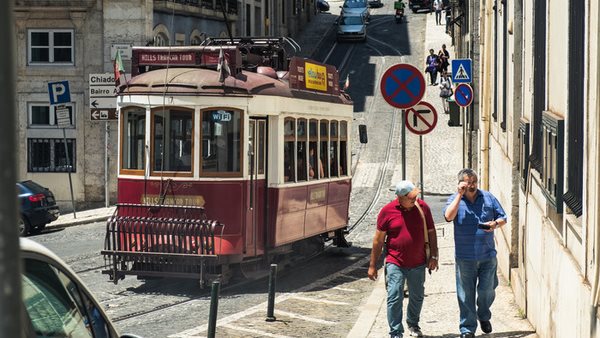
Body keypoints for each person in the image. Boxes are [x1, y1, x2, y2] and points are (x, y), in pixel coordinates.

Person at [368, 180, 439, 338]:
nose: (414, 199)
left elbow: (432, 232)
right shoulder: (387, 212)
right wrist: (372, 265)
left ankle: (413, 324)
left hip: (418, 262)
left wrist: (434, 255)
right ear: (400, 197)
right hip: (395, 262)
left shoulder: (423, 208)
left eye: (415, 196)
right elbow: (378, 241)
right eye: (410, 197)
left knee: (417, 295)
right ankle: (395, 332)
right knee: (394, 296)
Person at [443, 169, 507, 338]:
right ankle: (467, 329)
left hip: (487, 256)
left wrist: (495, 224)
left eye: (474, 182)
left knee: (488, 290)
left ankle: (484, 315)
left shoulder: (488, 197)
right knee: (465, 294)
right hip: (465, 257)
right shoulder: (454, 200)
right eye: (467, 182)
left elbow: (503, 217)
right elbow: (448, 217)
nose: (471, 185)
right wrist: (459, 195)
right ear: (460, 183)